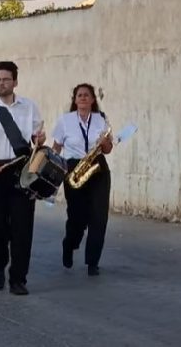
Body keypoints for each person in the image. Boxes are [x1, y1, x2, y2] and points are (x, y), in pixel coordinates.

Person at [0, 61, 45, 296]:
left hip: (22, 171)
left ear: (15, 82)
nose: (1, 83)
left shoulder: (29, 107)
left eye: (5, 79)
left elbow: (36, 139)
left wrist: (40, 139)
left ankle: (18, 278)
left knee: (23, 228)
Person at [52, 83, 113, 276]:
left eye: (87, 95)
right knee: (77, 217)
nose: (83, 98)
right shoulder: (65, 121)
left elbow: (108, 149)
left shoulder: (100, 119)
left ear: (93, 100)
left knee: (99, 216)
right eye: (80, 95)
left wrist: (105, 143)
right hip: (73, 169)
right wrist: (53, 171)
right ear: (75, 100)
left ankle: (92, 262)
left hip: (97, 167)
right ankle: (69, 244)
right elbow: (57, 147)